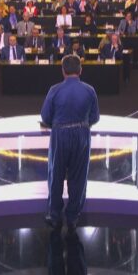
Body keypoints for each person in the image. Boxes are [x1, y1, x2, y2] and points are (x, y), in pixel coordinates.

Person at [40, 55, 100, 231]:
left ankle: (54, 215)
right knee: (78, 177)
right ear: (80, 70)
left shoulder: (54, 90)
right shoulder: (90, 90)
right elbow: (95, 117)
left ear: (63, 71)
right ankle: (73, 217)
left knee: (56, 175)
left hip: (60, 135)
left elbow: (45, 117)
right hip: (82, 135)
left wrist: (58, 123)